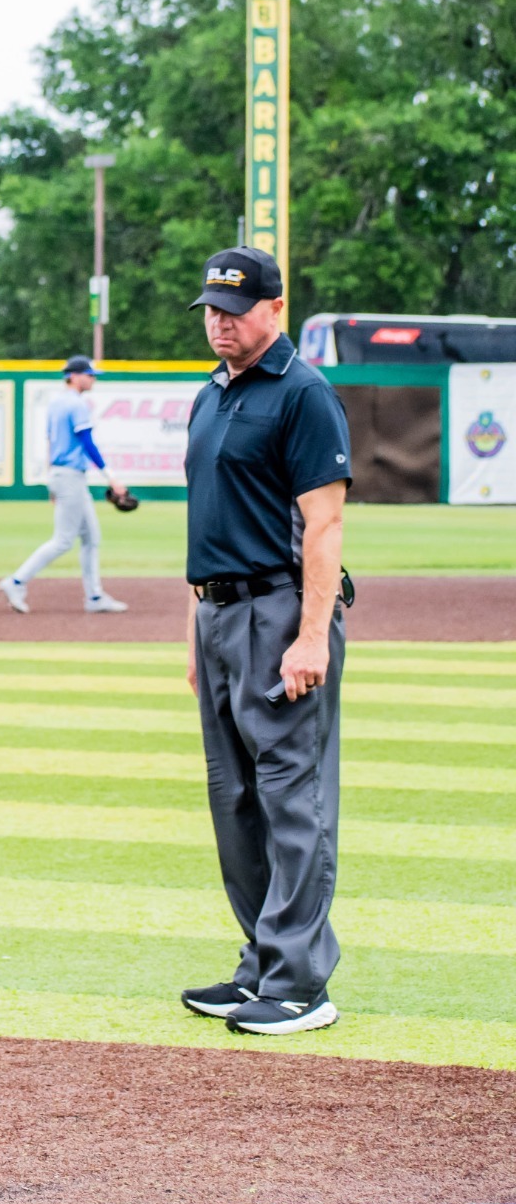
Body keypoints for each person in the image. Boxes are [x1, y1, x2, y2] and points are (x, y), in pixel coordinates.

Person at [178, 247, 352, 1036]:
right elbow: (206, 524)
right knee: (235, 800)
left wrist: (311, 634)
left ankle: (301, 983)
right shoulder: (210, 395)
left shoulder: (304, 393)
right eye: (212, 308)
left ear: (274, 309)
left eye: (235, 309)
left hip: (279, 613)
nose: (220, 322)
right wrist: (195, 635)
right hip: (218, 615)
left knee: (292, 797)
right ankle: (262, 961)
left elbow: (324, 523)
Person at [0, 356, 130, 614]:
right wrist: (111, 476)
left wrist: (50, 481)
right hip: (70, 476)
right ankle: (16, 581)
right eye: (89, 374)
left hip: (62, 474)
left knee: (91, 538)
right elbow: (87, 443)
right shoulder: (76, 404)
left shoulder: (56, 403)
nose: (93, 378)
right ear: (74, 376)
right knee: (64, 540)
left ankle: (94, 597)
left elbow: (50, 441)